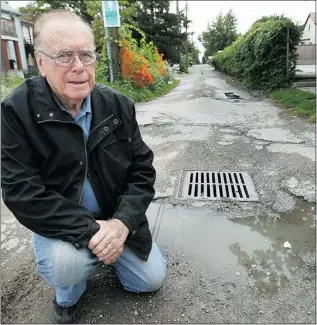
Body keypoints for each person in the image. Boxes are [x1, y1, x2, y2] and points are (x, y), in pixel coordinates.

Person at [1, 10, 166, 324]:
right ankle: (69, 292)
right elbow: (21, 191)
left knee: (151, 280)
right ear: (40, 61)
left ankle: (107, 249)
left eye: (86, 55)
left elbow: (142, 170)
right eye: (64, 55)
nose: (78, 67)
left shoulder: (117, 104)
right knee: (67, 266)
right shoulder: (16, 110)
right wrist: (92, 232)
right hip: (62, 223)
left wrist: (121, 225)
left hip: (114, 216)